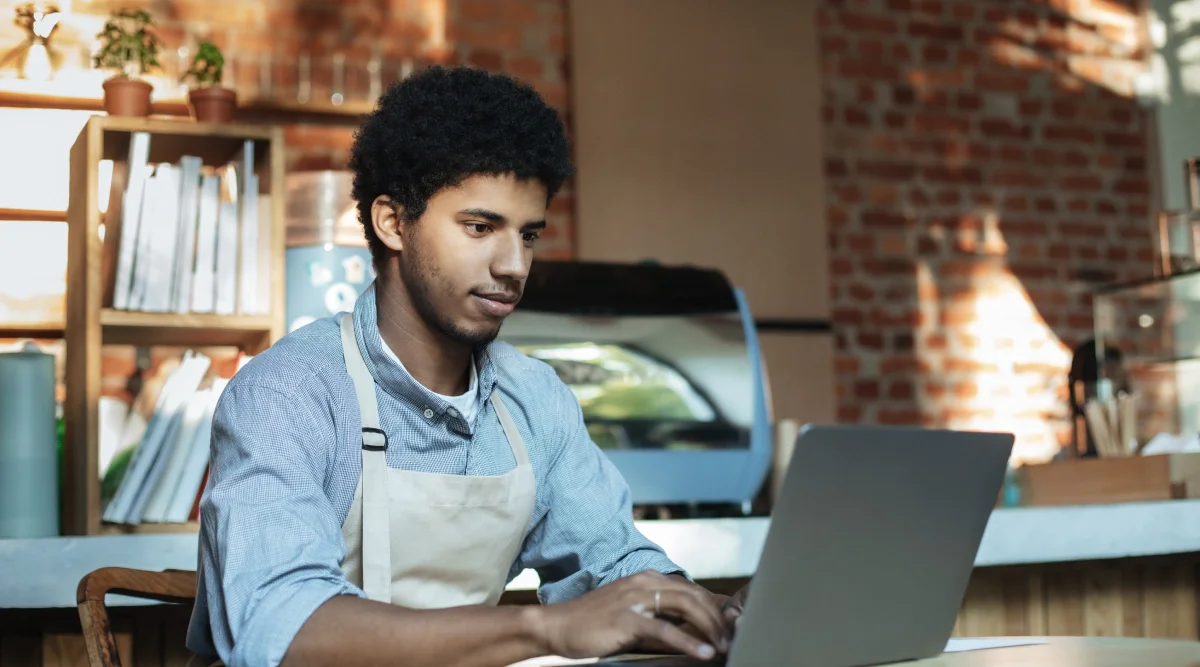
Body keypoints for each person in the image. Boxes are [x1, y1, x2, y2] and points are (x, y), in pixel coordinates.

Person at [185, 65, 747, 667]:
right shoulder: (289, 393)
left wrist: (705, 610)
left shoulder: (534, 399)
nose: (514, 265)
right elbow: (284, 629)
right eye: (481, 227)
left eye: (529, 235)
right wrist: (546, 630)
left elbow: (612, 563)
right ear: (392, 222)